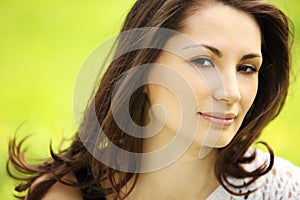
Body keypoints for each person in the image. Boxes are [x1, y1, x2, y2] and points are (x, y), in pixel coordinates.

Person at [7, 0, 300, 199]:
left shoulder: (283, 190)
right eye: (203, 61)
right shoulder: (65, 194)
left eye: (246, 68)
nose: (232, 92)